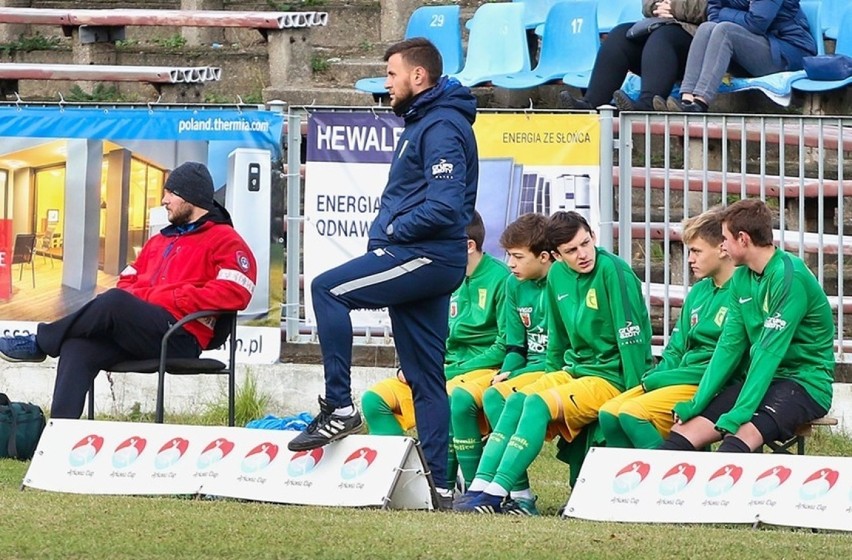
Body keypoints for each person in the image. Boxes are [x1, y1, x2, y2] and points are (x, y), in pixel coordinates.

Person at [287, 38, 479, 505]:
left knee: (328, 290)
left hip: (425, 256)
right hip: (429, 256)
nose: (386, 84)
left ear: (418, 76)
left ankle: (338, 406)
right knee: (425, 377)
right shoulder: (427, 121)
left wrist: (393, 227)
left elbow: (446, 206)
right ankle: (437, 487)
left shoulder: (441, 126)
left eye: (392, 74)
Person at [0, 162, 258, 418]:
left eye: (171, 193)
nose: (164, 200)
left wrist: (175, 297)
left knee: (114, 302)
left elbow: (237, 290)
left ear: (191, 197)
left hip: (180, 336)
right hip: (139, 333)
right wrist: (146, 298)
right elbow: (126, 280)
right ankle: (59, 438)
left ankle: (41, 341)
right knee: (77, 346)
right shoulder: (159, 240)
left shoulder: (224, 239)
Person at [454, 211, 653, 514]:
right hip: (573, 371)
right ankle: (481, 486)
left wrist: (631, 395)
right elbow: (558, 341)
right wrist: (551, 376)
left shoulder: (614, 271)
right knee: (518, 399)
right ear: (557, 255)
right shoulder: (558, 276)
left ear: (593, 237)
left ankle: (496, 493)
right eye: (571, 250)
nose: (583, 254)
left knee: (536, 404)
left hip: (609, 377)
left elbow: (632, 341)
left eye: (585, 243)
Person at [660, 199, 834, 453]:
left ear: (742, 239)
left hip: (805, 384)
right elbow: (729, 346)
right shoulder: (741, 277)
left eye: (725, 238)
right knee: (681, 436)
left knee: (737, 440)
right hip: (765, 380)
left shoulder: (789, 276)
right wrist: (696, 404)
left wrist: (739, 412)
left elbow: (768, 353)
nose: (722, 246)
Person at [361, 211, 509, 493]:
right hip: (439, 371)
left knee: (450, 395)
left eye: (442, 241)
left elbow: (503, 347)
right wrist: (414, 364)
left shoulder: (501, 279)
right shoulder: (440, 276)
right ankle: (405, 482)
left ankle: (451, 485)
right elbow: (429, 336)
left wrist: (441, 372)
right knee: (374, 400)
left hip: (476, 374)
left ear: (468, 245)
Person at [598, 208, 739, 449]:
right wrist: (661, 374)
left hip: (713, 385)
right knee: (608, 414)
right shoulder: (699, 291)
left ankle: (670, 479)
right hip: (681, 378)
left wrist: (664, 378)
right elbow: (676, 348)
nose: (690, 259)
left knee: (633, 414)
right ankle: (631, 484)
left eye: (696, 251)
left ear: (722, 249)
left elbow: (725, 362)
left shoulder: (742, 291)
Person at [450, 213, 552, 513]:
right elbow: (515, 346)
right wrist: (510, 369)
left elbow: (558, 353)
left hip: (553, 370)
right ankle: (472, 490)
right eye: (509, 256)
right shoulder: (513, 284)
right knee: (463, 396)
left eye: (518, 257)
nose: (510, 263)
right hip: (524, 368)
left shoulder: (560, 283)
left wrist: (512, 371)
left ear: (544, 256)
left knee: (490, 396)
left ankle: (513, 496)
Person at [661, 0, 817, 112]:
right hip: (761, 46)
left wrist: (724, 12)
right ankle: (686, 98)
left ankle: (701, 102)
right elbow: (712, 13)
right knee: (706, 27)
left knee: (725, 30)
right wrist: (730, 14)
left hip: (788, 52)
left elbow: (757, 23)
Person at [560, 0, 708, 112]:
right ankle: (591, 104)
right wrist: (656, 6)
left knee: (661, 38)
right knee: (619, 36)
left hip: (699, 39)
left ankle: (647, 105)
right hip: (661, 26)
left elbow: (715, 8)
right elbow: (647, 4)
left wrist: (674, 7)